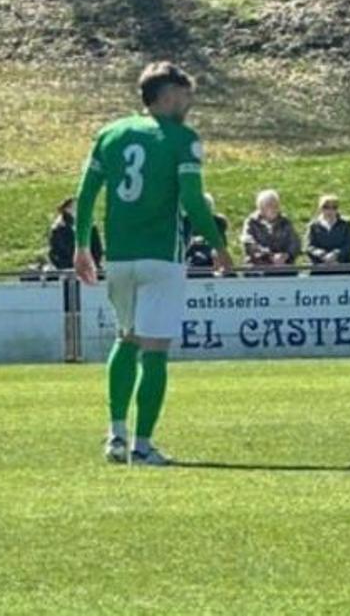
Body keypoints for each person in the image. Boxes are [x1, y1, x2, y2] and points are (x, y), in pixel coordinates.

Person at [73, 61, 232, 467]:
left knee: (125, 338)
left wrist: (82, 246)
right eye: (185, 95)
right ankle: (143, 446)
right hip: (161, 256)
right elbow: (194, 202)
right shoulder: (182, 139)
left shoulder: (110, 133)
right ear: (166, 96)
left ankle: (115, 436)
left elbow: (86, 192)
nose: (189, 102)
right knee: (155, 349)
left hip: (120, 256)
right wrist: (218, 245)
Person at [240, 189, 301, 272]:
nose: (273, 208)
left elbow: (295, 242)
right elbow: (248, 242)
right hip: (258, 267)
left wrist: (286, 255)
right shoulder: (251, 222)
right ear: (260, 207)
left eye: (275, 205)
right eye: (269, 205)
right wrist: (269, 256)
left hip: (283, 266)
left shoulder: (285, 222)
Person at [305, 194, 350, 274]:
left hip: (343, 268)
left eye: (334, 207)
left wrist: (336, 255)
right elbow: (309, 247)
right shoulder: (313, 226)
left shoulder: (346, 224)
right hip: (319, 270)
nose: (330, 210)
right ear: (320, 208)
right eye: (326, 207)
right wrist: (322, 255)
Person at [48, 197, 103, 271]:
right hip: (66, 266)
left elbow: (97, 248)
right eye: (74, 207)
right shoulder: (58, 228)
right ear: (66, 209)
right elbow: (60, 251)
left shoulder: (90, 226)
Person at [184, 192, 230, 274]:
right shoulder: (185, 222)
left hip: (211, 255)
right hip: (191, 255)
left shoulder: (217, 222)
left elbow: (222, 243)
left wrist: (216, 251)